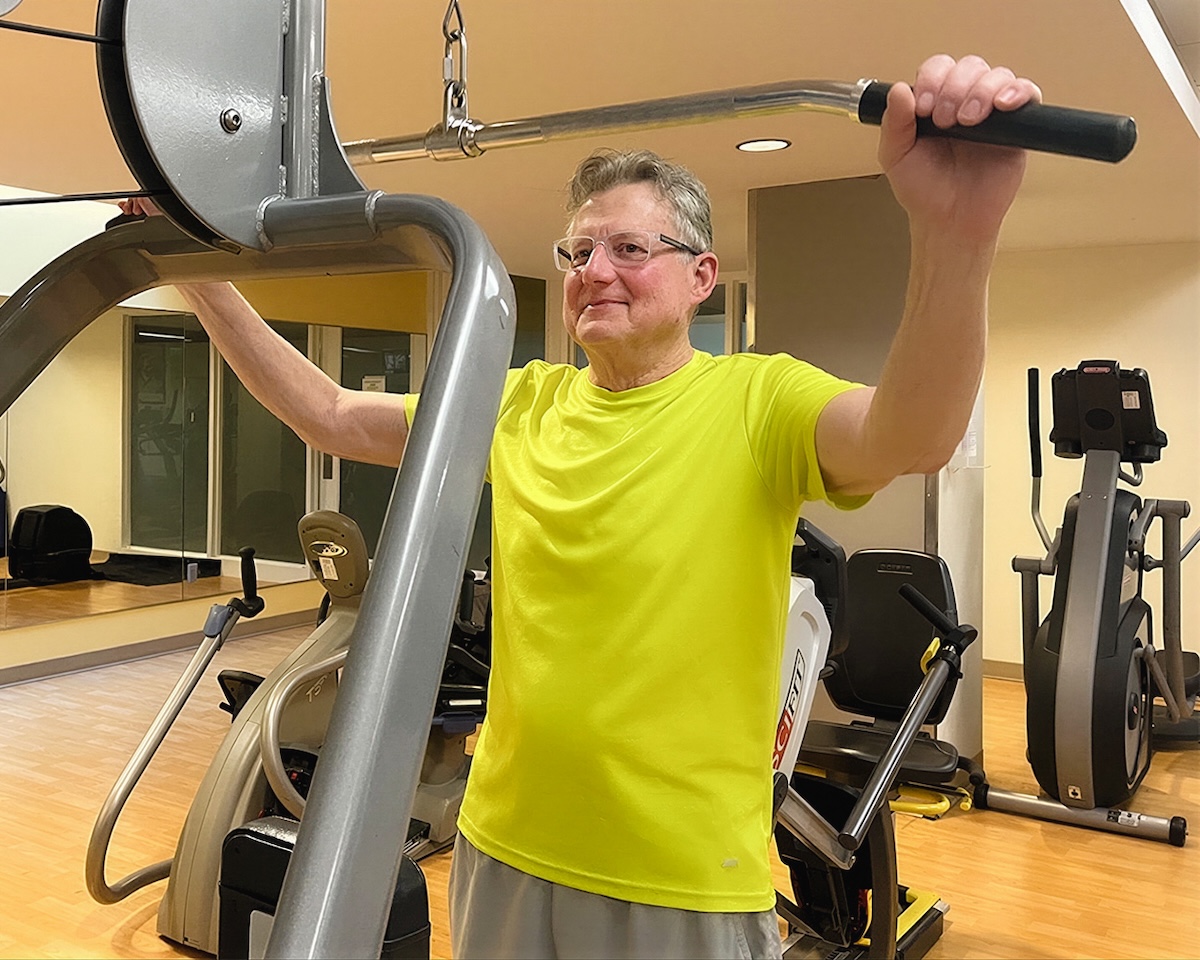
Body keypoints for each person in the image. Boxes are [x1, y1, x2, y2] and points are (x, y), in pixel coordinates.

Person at [123, 53, 1040, 960]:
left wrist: (957, 238)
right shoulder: (521, 403)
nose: (594, 270)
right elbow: (328, 414)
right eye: (579, 251)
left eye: (630, 249)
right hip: (503, 850)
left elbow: (912, 434)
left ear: (701, 277)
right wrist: (198, 276)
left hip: (679, 882)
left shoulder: (759, 403)